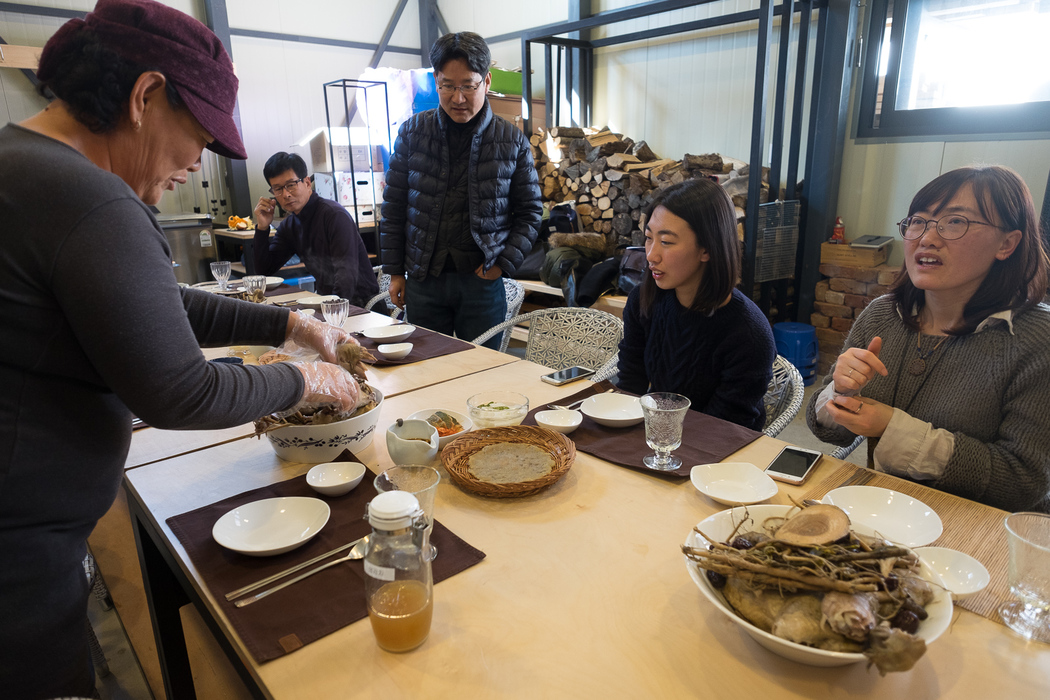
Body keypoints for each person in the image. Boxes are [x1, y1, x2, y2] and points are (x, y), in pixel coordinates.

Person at [0, 2, 363, 697]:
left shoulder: (24, 163)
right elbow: (180, 390)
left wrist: (288, 328)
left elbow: (153, 308)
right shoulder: (92, 200)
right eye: (198, 135)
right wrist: (304, 381)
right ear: (145, 96)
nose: (196, 161)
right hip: (17, 556)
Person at [807, 165, 1050, 513]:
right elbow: (829, 431)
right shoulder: (883, 314)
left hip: (984, 534)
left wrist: (894, 428)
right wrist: (841, 395)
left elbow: (1024, 482)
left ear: (1007, 243)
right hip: (890, 513)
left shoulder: (1037, 339)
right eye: (917, 221)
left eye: (955, 222)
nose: (927, 238)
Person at [380, 31, 542, 349]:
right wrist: (395, 271)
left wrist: (502, 264)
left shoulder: (511, 141)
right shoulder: (413, 133)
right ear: (436, 81)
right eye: (448, 86)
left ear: (487, 81)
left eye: (468, 86)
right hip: (425, 281)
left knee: (485, 376)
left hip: (482, 283)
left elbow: (530, 211)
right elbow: (395, 207)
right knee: (425, 369)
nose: (458, 98)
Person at [617, 179, 776, 431]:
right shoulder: (643, 300)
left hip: (721, 454)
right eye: (649, 238)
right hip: (658, 437)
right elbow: (629, 383)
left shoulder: (748, 334)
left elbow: (724, 429)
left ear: (707, 249)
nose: (650, 255)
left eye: (666, 242)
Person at [253, 152, 379, 306]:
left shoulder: (334, 215)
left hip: (362, 306)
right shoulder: (290, 225)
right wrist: (262, 227)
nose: (286, 194)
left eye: (291, 185)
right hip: (325, 303)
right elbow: (264, 270)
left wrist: (328, 315)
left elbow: (346, 276)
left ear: (307, 183)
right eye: (278, 189)